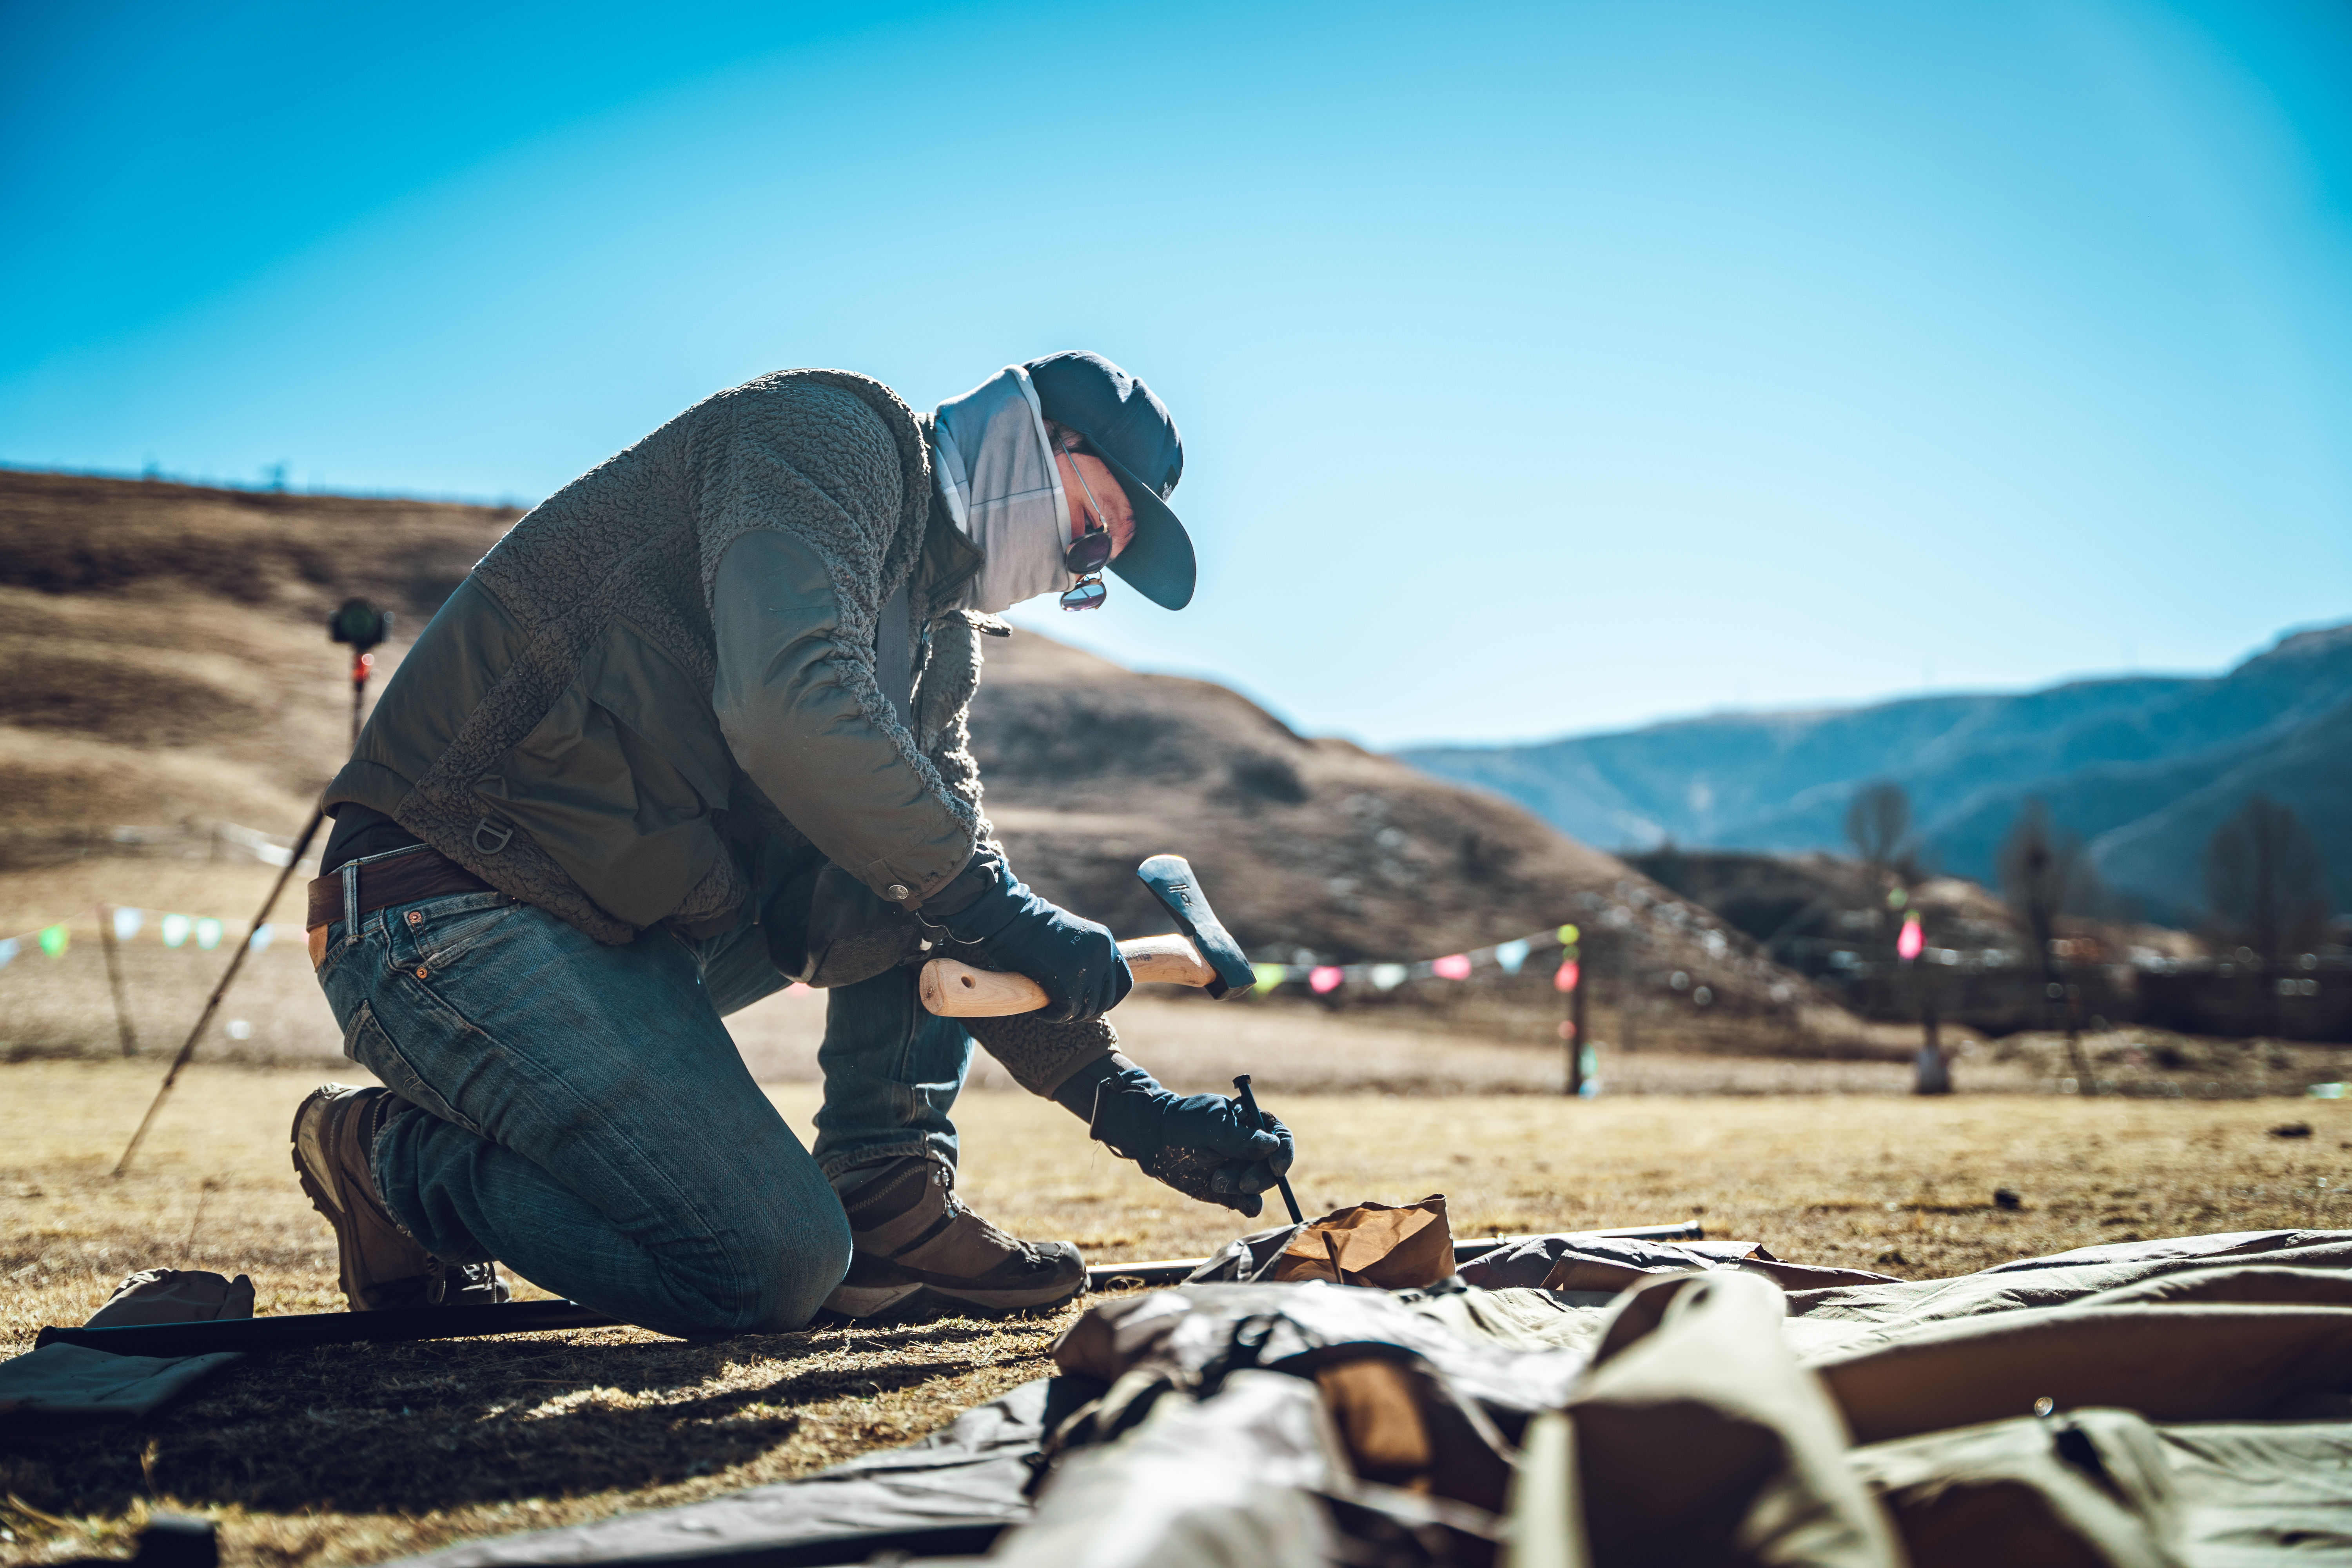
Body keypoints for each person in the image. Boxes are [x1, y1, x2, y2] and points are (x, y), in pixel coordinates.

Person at [289, 353, 1296, 1334]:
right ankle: (385, 1160)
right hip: (448, 902)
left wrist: (1132, 1108)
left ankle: (888, 1195)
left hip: (620, 935)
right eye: (1087, 539)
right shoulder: (825, 435)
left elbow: (939, 870)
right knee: (763, 1266)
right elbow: (790, 704)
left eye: (1093, 577)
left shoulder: (936, 638)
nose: (1067, 578)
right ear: (1037, 442)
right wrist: (994, 905)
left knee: (915, 875)